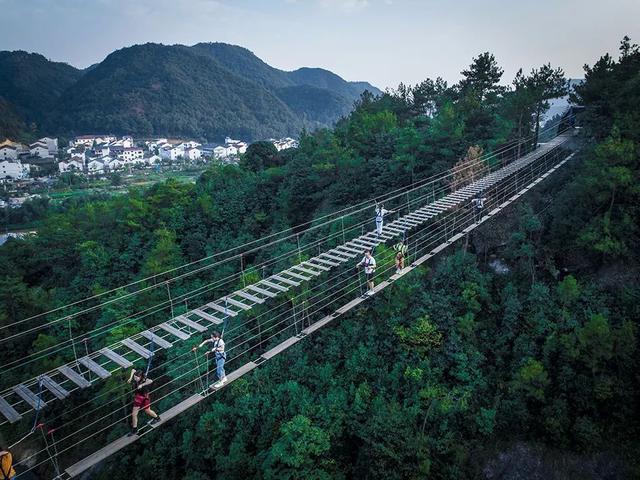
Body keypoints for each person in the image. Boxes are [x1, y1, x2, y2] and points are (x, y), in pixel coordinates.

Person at [127, 369, 160, 436]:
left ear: (140, 377)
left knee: (147, 411)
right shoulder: (136, 377)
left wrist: (142, 385)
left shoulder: (144, 380)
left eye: (136, 377)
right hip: (138, 397)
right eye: (134, 377)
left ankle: (157, 418)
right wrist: (130, 378)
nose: (135, 378)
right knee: (134, 414)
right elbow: (133, 370)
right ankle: (135, 429)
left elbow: (151, 381)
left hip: (144, 397)